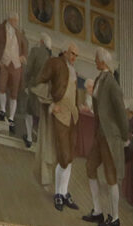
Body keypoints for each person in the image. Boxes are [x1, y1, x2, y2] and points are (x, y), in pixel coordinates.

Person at [32, 40, 81, 210]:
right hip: (59, 115)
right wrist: (51, 104)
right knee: (63, 155)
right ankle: (58, 194)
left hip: (71, 116)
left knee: (69, 157)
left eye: (76, 55)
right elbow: (39, 83)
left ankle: (64, 192)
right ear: (65, 52)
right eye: (72, 53)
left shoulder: (73, 69)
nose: (74, 57)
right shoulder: (54, 63)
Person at [84, 48, 129, 226]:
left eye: (96, 58)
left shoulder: (111, 83)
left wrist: (125, 137)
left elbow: (121, 113)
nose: (94, 60)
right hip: (100, 135)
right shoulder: (98, 80)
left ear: (103, 62)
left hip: (111, 137)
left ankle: (115, 218)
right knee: (90, 167)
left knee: (111, 177)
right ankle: (97, 211)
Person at [0, 13, 27, 134]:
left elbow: (25, 45)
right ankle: (2, 111)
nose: (16, 22)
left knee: (14, 93)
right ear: (10, 20)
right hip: (4, 63)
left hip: (16, 66)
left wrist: (23, 56)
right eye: (14, 20)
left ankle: (11, 118)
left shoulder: (19, 33)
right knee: (1, 87)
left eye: (17, 20)